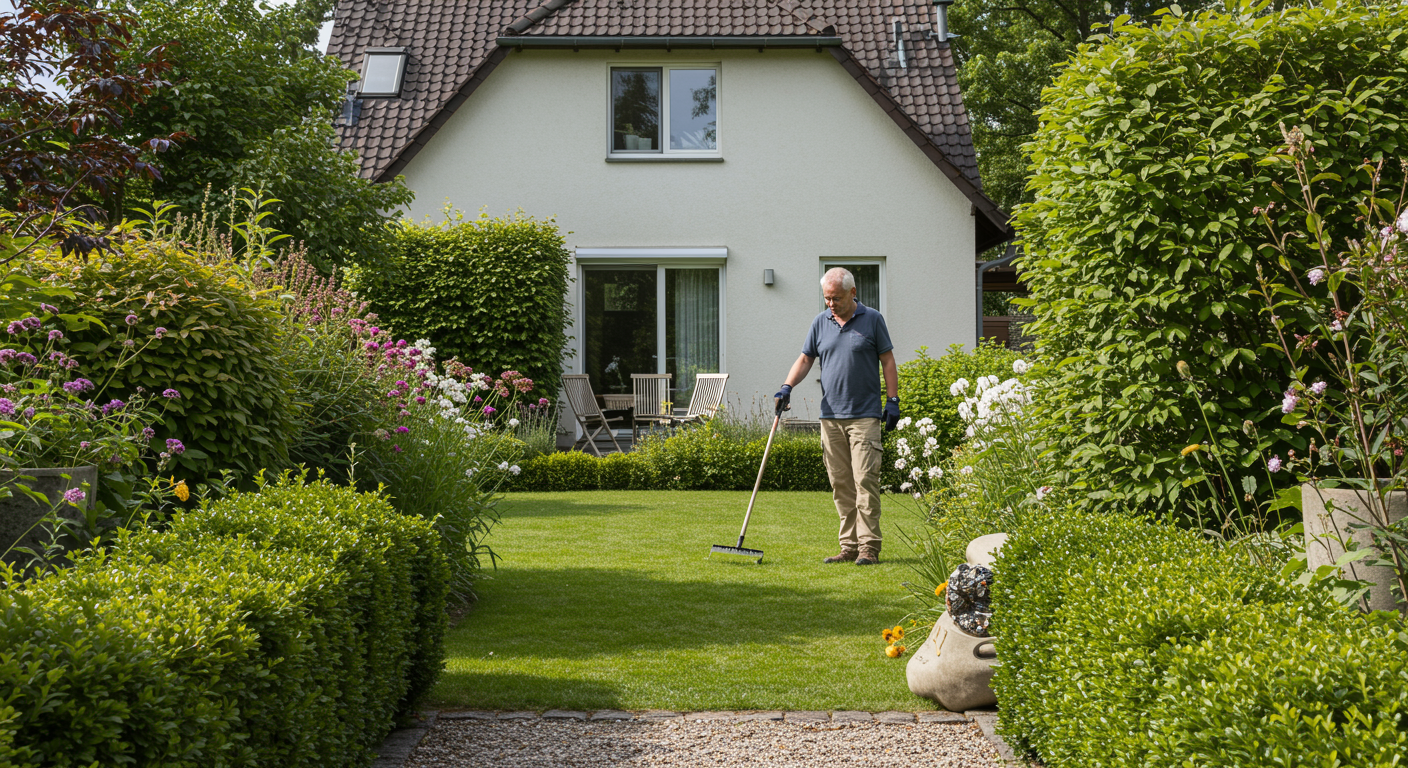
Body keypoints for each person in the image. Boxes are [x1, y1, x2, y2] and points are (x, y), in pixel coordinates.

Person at [775, 267, 899, 565]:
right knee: (841, 484)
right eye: (827, 298)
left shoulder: (872, 320)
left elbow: (888, 359)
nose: (831, 304)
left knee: (865, 481)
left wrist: (893, 400)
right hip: (830, 417)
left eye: (837, 298)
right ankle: (849, 546)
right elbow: (806, 358)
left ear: (852, 293)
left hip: (865, 416)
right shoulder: (821, 322)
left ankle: (869, 547)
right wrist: (786, 386)